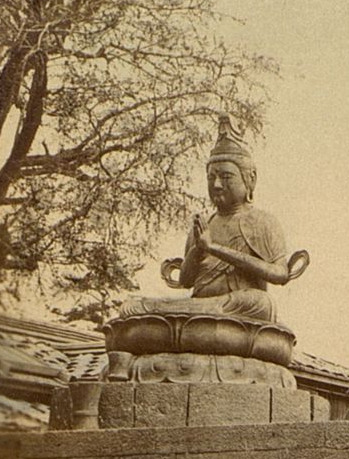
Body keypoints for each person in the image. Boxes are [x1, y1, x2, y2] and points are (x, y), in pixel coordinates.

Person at [119, 115, 290, 322]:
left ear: (250, 179)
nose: (217, 185)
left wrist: (213, 248)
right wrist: (198, 249)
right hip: (200, 307)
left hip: (239, 309)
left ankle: (192, 318)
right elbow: (186, 281)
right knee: (132, 308)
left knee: (261, 302)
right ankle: (192, 317)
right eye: (211, 177)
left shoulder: (263, 221)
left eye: (226, 177)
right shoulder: (203, 225)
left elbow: (280, 274)